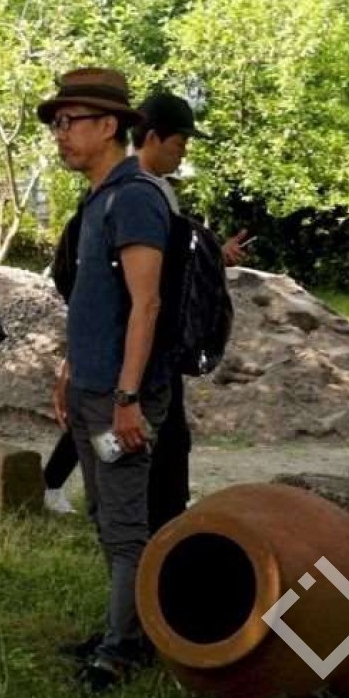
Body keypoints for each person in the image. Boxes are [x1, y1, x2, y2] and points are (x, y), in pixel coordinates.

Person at [40, 68, 172, 690]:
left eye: (70, 122)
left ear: (110, 125)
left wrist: (127, 398)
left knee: (124, 526)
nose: (60, 134)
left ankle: (122, 651)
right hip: (91, 390)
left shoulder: (135, 197)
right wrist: (70, 370)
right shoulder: (98, 197)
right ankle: (123, 630)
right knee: (105, 516)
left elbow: (147, 305)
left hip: (123, 396)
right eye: (57, 124)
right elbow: (95, 303)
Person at [130, 91, 246, 532]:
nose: (182, 154)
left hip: (159, 339)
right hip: (148, 338)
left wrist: (214, 254)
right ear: (153, 138)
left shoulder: (156, 191)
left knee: (171, 438)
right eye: (179, 144)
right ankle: (161, 528)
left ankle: (166, 519)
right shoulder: (140, 193)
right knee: (162, 440)